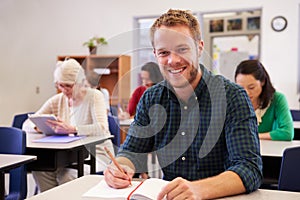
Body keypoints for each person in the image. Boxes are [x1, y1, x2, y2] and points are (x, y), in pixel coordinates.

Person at [104, 9, 262, 199]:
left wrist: (198, 189)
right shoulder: (151, 98)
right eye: (164, 52)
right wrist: (119, 167)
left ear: (199, 47)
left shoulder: (233, 97)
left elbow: (249, 168)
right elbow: (131, 151)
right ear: (155, 54)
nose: (173, 60)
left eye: (182, 49)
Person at [23, 58, 114, 192]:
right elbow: (27, 123)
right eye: (60, 85)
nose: (64, 90)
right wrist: (40, 127)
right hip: (64, 157)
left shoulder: (95, 97)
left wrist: (73, 129)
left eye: (69, 86)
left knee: (68, 175)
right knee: (41, 170)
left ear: (80, 82)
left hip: (95, 155)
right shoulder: (58, 100)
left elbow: (102, 128)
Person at [235, 59, 294, 141]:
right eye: (241, 88)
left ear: (262, 82)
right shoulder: (233, 101)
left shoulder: (277, 99)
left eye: (251, 87)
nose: (246, 93)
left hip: (270, 151)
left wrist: (253, 137)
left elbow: (287, 133)